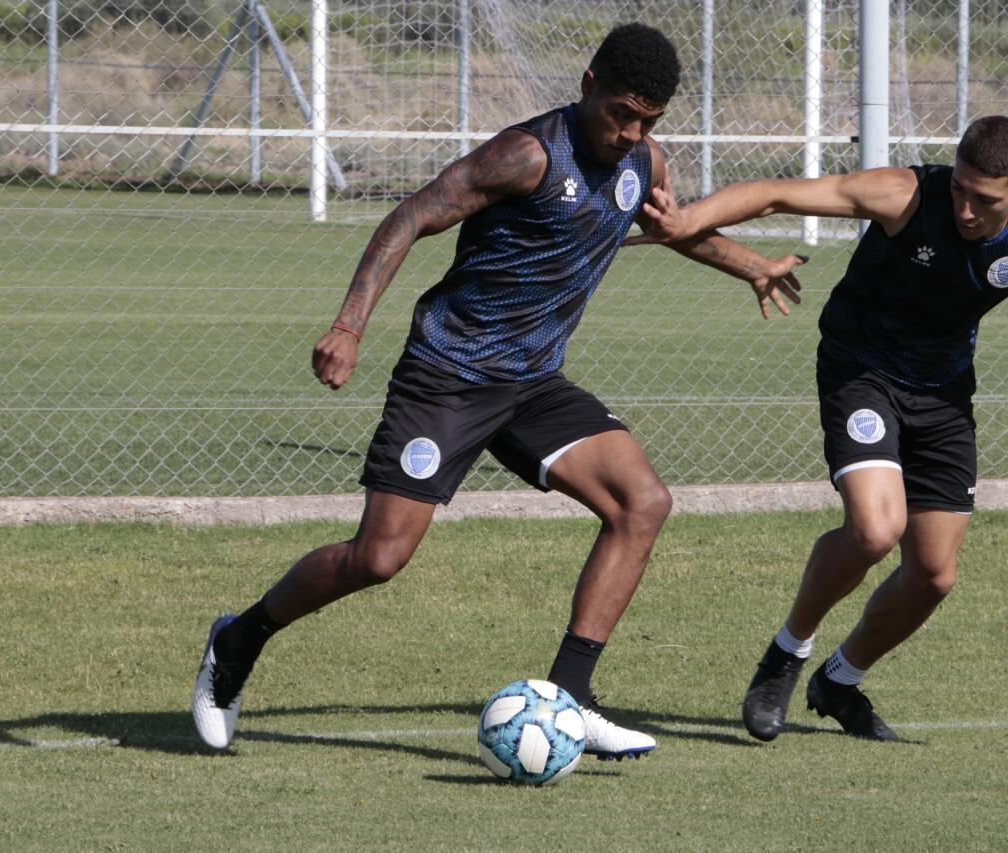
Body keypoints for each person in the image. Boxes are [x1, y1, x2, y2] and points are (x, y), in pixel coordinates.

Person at [191, 23, 805, 758]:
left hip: (533, 383)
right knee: (378, 558)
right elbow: (412, 213)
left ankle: (570, 697)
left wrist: (752, 266)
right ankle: (237, 638)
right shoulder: (527, 154)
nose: (631, 131)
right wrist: (349, 326)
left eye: (648, 120)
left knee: (642, 502)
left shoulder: (644, 159)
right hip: (447, 379)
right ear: (588, 86)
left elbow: (671, 226)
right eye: (621, 112)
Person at [631, 115, 1008, 743]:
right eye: (960, 189)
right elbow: (776, 192)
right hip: (861, 369)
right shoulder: (906, 195)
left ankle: (839, 681)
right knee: (875, 529)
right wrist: (688, 220)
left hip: (944, 393)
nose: (967, 209)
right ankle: (787, 653)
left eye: (986, 199)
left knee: (933, 575)